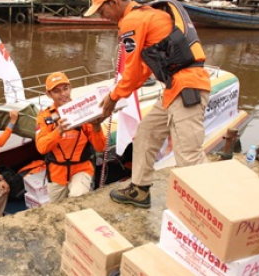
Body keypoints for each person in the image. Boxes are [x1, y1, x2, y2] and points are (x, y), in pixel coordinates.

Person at [84, 0, 211, 208]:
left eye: (101, 10)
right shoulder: (145, 15)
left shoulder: (132, 21)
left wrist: (113, 98)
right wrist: (115, 96)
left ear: (114, 3)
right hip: (174, 88)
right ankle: (140, 190)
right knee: (146, 133)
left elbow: (132, 71)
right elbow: (143, 70)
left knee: (189, 154)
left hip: (187, 87)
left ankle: (208, 213)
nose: (102, 16)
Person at [35, 72, 106, 203]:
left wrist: (96, 127)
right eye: (57, 91)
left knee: (77, 200)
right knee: (57, 211)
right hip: (56, 173)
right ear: (48, 94)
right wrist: (59, 131)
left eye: (65, 88)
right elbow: (41, 147)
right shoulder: (44, 116)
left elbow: (100, 147)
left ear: (71, 87)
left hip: (81, 168)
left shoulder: (84, 110)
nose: (63, 94)